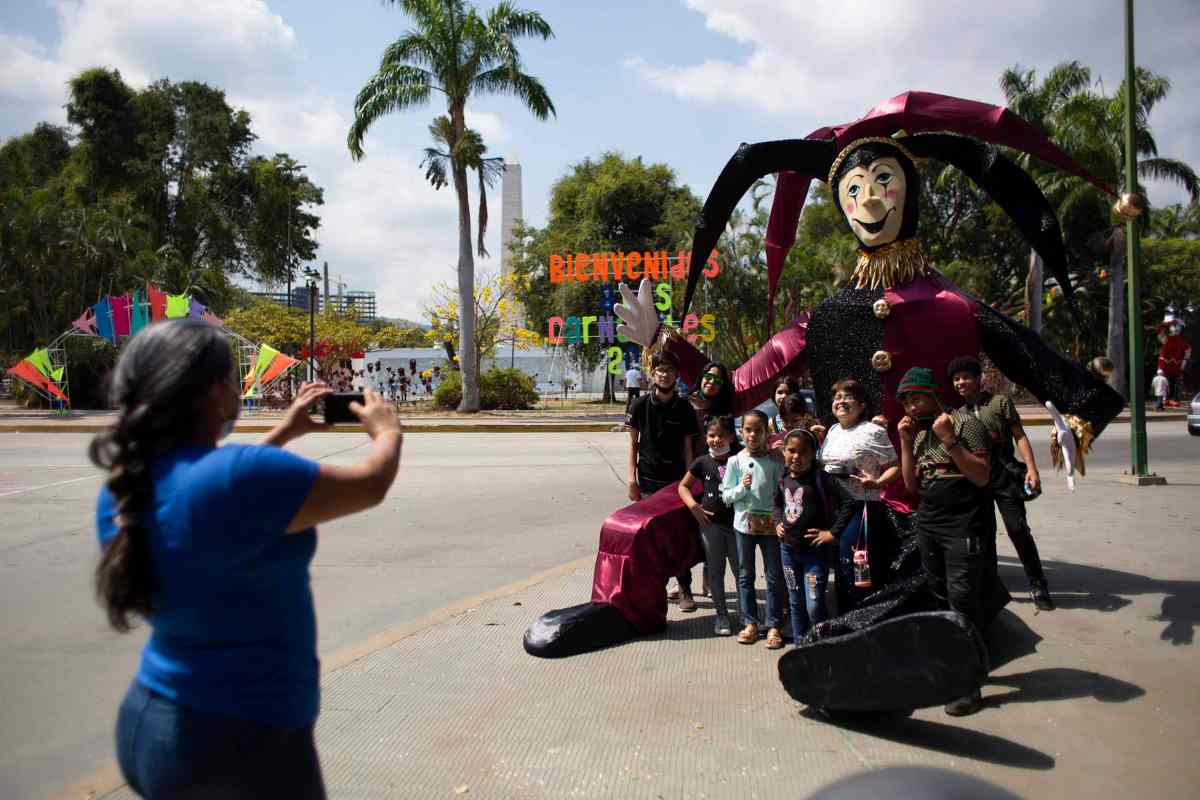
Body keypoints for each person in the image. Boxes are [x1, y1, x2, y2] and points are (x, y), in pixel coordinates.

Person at [91, 319, 403, 798]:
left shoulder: (124, 487)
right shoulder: (242, 478)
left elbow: (220, 489)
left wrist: (283, 432)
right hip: (241, 740)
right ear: (215, 390)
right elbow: (371, 483)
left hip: (151, 724)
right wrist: (386, 431)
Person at [897, 366, 993, 716]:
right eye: (906, 401)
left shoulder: (966, 424)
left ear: (933, 395)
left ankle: (969, 683)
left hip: (963, 523)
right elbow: (911, 486)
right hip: (929, 521)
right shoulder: (920, 436)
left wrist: (950, 440)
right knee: (938, 595)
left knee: (962, 598)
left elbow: (981, 476)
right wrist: (905, 442)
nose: (912, 407)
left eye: (917, 399)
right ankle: (949, 667)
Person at [948, 355, 1053, 610]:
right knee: (983, 534)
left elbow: (1020, 436)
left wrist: (1032, 469)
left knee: (1018, 529)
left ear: (978, 379)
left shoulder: (1000, 403)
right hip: (977, 481)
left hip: (1005, 475)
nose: (961, 383)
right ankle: (991, 585)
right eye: (956, 379)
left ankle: (1038, 583)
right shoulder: (957, 415)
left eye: (966, 377)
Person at [819, 378, 902, 613]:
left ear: (862, 405)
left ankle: (862, 617)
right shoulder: (833, 430)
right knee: (839, 565)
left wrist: (878, 482)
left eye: (848, 397)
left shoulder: (873, 431)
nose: (841, 401)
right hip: (836, 507)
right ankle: (844, 618)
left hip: (862, 507)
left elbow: (895, 467)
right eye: (837, 397)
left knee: (856, 565)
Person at [627, 351, 701, 612]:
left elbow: (688, 449)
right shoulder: (639, 406)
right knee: (652, 539)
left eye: (670, 370)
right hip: (648, 481)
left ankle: (685, 588)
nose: (665, 375)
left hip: (676, 483)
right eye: (660, 370)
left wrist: (689, 482)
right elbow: (633, 446)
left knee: (679, 536)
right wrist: (631, 479)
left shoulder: (685, 408)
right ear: (653, 373)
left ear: (676, 375)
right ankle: (655, 589)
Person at [722, 410, 786, 648]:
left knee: (773, 575)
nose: (753, 435)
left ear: (766, 433)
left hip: (771, 526)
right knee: (745, 575)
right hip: (744, 526)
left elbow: (783, 491)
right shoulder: (735, 461)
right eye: (748, 430)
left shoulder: (775, 461)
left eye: (758, 430)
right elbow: (726, 496)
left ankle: (774, 624)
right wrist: (741, 487)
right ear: (741, 431)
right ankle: (749, 622)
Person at [679, 415, 742, 635]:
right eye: (711, 435)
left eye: (721, 435)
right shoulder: (702, 462)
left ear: (731, 437)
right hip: (711, 526)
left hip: (738, 526)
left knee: (741, 571)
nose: (716, 440)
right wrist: (693, 507)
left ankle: (746, 614)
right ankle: (722, 616)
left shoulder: (740, 458)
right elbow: (683, 487)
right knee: (716, 571)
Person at [775, 428, 839, 645]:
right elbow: (777, 504)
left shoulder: (822, 478)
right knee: (795, 601)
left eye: (803, 452)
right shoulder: (783, 477)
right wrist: (777, 523)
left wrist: (832, 532)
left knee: (814, 603)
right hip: (788, 552)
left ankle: (819, 645)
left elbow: (849, 502)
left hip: (815, 554)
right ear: (784, 451)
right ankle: (800, 644)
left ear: (813, 454)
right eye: (791, 451)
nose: (796, 456)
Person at [688, 361, 735, 456]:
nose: (712, 382)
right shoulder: (683, 403)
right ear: (701, 377)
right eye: (709, 376)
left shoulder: (724, 411)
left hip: (712, 461)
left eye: (718, 381)